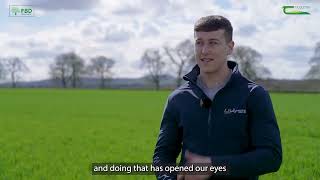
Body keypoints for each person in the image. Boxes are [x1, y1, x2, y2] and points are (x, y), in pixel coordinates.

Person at [152, 15, 282, 180]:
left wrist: (214, 166)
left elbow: (271, 157)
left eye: (213, 42)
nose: (204, 50)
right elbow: (163, 154)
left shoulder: (254, 95)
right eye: (199, 42)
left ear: (230, 47)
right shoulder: (177, 98)